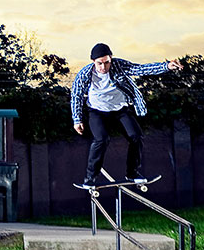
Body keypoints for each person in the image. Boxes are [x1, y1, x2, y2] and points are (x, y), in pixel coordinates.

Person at [70, 43, 183, 187]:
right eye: (99, 64)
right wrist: (77, 119)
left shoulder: (119, 65)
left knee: (136, 136)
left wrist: (166, 66)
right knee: (101, 139)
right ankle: (90, 178)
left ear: (111, 58)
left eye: (106, 63)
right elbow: (76, 96)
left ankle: (132, 173)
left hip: (120, 110)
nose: (103, 67)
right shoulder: (84, 74)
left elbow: (140, 69)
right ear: (93, 61)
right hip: (97, 112)